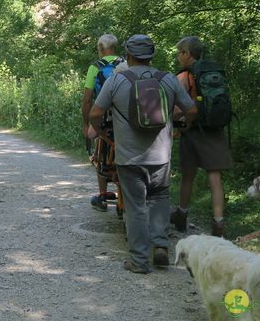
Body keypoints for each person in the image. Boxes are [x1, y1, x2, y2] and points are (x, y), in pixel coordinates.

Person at [89, 34, 197, 274]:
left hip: (129, 157)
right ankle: (160, 246)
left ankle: (139, 261)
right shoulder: (168, 79)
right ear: (152, 56)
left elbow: (96, 113)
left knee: (135, 206)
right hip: (161, 156)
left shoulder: (117, 80)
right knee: (159, 199)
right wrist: (179, 124)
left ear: (128, 54)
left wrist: (99, 132)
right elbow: (191, 109)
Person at [170, 36, 233, 237]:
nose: (179, 57)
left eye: (180, 53)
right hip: (215, 131)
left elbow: (176, 110)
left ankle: (182, 214)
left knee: (188, 176)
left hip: (193, 132)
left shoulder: (185, 77)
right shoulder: (214, 73)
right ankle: (218, 224)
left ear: (187, 54)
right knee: (215, 177)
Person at [81, 34, 124, 211]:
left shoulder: (95, 67)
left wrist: (86, 124)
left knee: (101, 155)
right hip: (125, 116)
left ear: (100, 48)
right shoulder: (127, 63)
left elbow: (87, 99)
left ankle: (103, 196)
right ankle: (124, 195)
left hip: (104, 118)